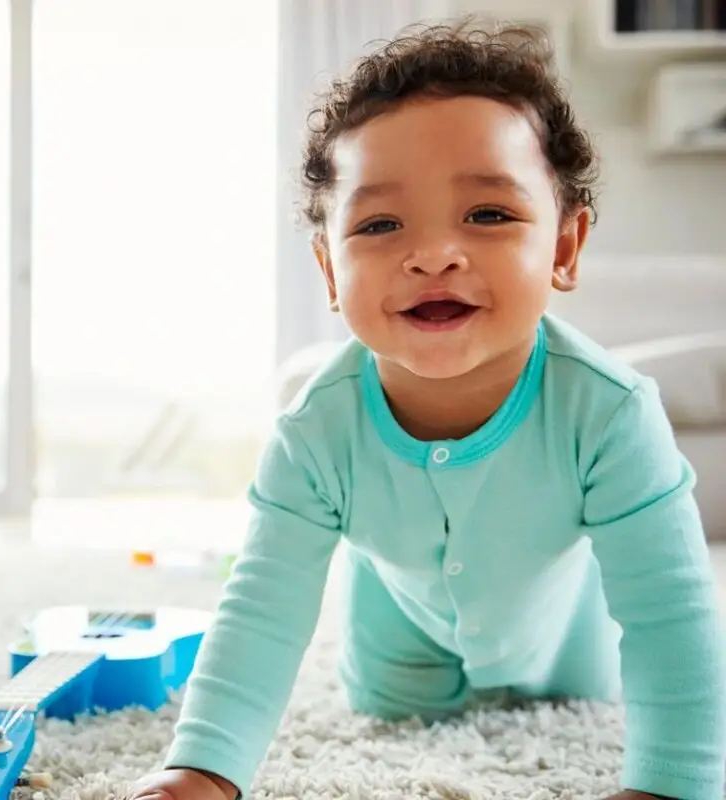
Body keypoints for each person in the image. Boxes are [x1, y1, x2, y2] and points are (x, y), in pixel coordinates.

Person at [128, 17, 725, 800]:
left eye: (487, 215)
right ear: (329, 272)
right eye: (379, 224)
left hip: (571, 664)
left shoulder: (610, 413)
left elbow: (670, 611)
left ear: (565, 249)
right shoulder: (317, 431)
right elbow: (262, 610)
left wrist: (676, 781)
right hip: (395, 675)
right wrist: (201, 767)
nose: (434, 253)